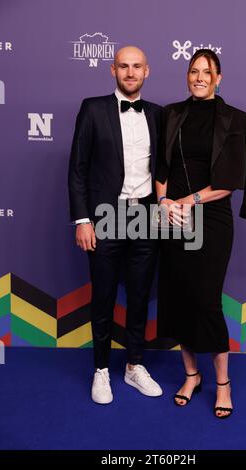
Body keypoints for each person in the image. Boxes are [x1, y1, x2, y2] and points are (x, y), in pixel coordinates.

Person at [156, 49, 246, 418]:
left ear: (219, 78)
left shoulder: (234, 119)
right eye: (193, 71)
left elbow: (229, 182)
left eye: (207, 72)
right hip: (174, 220)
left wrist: (186, 200)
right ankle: (191, 375)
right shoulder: (171, 114)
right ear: (187, 75)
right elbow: (161, 167)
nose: (199, 77)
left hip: (211, 220)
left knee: (206, 300)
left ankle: (222, 383)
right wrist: (164, 201)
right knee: (179, 296)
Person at [68, 46, 162, 404]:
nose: (130, 72)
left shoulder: (157, 114)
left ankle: (134, 365)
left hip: (145, 216)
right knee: (104, 296)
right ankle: (102, 370)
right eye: (123, 66)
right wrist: (82, 219)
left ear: (147, 71)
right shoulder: (92, 109)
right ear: (113, 70)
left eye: (137, 66)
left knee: (139, 296)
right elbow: (77, 168)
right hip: (105, 216)